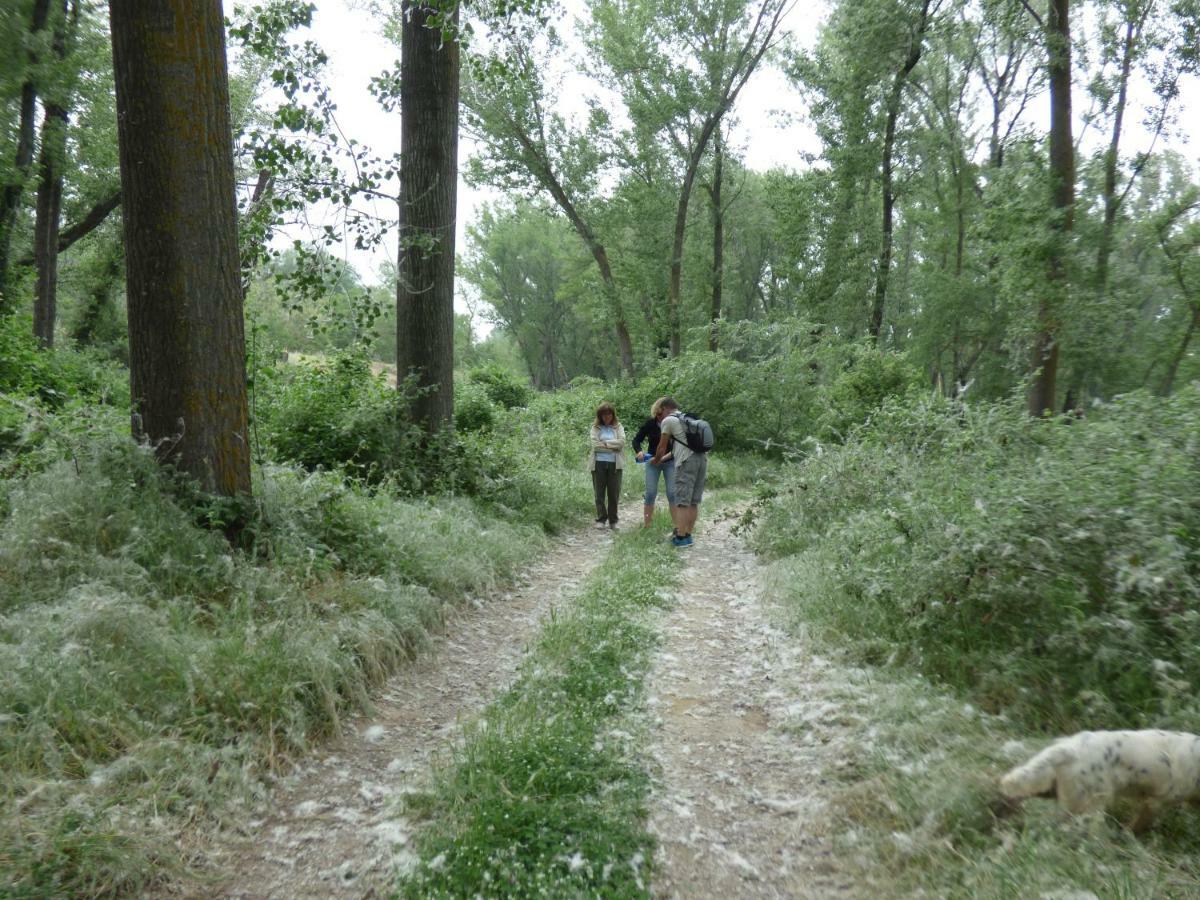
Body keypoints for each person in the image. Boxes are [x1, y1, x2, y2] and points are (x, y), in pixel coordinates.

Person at [651, 397, 706, 547]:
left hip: (686, 463)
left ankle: (680, 538)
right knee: (693, 501)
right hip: (701, 460)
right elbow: (675, 451)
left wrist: (656, 460)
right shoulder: (687, 419)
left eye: (658, 414)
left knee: (682, 501)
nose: (659, 418)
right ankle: (688, 534)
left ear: (663, 408)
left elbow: (661, 447)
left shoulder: (668, 421)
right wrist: (661, 459)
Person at [632, 399, 676, 527]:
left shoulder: (674, 424)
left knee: (672, 493)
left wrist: (660, 459)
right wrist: (639, 451)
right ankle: (647, 525)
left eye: (663, 414)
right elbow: (636, 440)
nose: (660, 417)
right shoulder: (650, 424)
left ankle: (677, 527)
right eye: (658, 414)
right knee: (650, 493)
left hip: (670, 461)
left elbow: (677, 448)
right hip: (652, 461)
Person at [588, 401, 625, 529]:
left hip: (615, 464)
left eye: (609, 415)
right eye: (603, 415)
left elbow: (621, 443)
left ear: (613, 415)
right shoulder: (595, 428)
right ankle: (601, 519)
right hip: (598, 463)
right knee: (599, 493)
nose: (606, 417)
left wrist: (605, 443)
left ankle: (613, 520)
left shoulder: (618, 426)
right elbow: (595, 446)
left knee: (613, 493)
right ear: (600, 416)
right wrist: (612, 446)